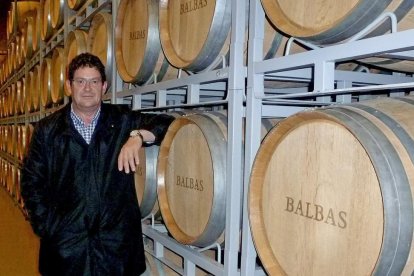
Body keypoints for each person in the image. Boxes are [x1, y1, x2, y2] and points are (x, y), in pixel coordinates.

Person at [20, 52, 174, 276]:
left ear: (104, 87)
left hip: (115, 249)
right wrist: (49, 227)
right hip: (66, 248)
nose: (87, 88)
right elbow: (31, 182)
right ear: (69, 86)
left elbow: (167, 125)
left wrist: (138, 136)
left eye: (94, 81)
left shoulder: (121, 120)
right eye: (80, 81)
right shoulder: (48, 130)